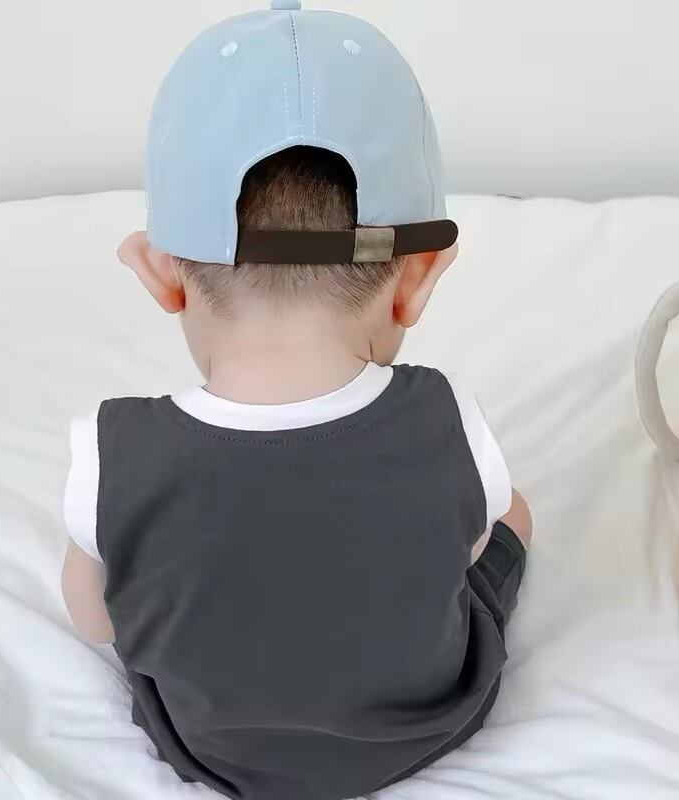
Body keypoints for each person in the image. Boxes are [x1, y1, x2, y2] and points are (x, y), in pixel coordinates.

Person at [61, 3, 533, 799]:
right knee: (510, 510)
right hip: (423, 728)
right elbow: (464, 549)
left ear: (160, 273)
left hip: (209, 749)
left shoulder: (112, 454)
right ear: (418, 278)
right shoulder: (450, 420)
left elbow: (96, 620)